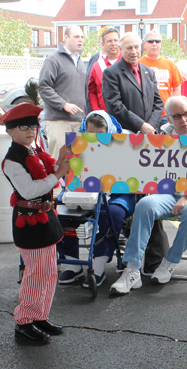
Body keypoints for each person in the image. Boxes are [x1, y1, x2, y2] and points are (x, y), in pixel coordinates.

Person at [110, 96, 187, 294]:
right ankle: (132, 269)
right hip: (169, 192)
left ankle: (170, 261)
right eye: (177, 116)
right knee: (145, 204)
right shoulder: (161, 135)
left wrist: (186, 196)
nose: (184, 120)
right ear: (168, 119)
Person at [58, 110, 168, 286]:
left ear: (109, 130)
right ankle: (72, 264)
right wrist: (64, 162)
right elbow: (67, 177)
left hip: (120, 193)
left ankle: (98, 266)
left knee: (112, 213)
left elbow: (139, 175)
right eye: (90, 133)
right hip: (84, 192)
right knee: (61, 211)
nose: (94, 138)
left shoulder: (127, 141)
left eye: (100, 134)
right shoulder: (76, 143)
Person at [1, 103, 70, 342]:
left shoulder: (34, 151)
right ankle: (24, 322)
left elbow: (47, 180)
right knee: (35, 274)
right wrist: (58, 173)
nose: (31, 130)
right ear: (10, 131)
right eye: (23, 126)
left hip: (44, 218)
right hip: (29, 221)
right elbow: (30, 190)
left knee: (49, 272)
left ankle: (39, 316)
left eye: (33, 125)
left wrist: (59, 163)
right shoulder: (12, 159)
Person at [38, 25, 86, 159]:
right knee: (59, 165)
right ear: (65, 38)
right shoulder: (53, 59)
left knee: (77, 166)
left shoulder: (80, 61)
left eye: (82, 37)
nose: (80, 40)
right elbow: (43, 87)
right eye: (76, 36)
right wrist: (64, 104)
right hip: (57, 122)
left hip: (78, 122)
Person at [102, 32, 163, 134]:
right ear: (121, 49)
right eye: (129, 48)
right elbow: (115, 105)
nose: (134, 51)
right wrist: (141, 125)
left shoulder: (149, 72)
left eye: (136, 47)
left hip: (150, 134)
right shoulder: (111, 73)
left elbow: (158, 102)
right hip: (126, 134)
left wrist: (150, 127)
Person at [139, 30, 184, 126]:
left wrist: (175, 109)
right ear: (144, 44)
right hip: (144, 115)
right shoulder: (138, 64)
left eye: (157, 41)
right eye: (150, 41)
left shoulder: (170, 64)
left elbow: (177, 88)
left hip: (166, 115)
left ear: (161, 44)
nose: (154, 44)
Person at [88, 27, 122, 112]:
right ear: (103, 44)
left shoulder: (128, 64)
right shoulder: (97, 66)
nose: (113, 44)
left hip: (126, 117)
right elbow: (92, 91)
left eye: (116, 40)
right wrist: (97, 111)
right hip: (104, 116)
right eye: (109, 41)